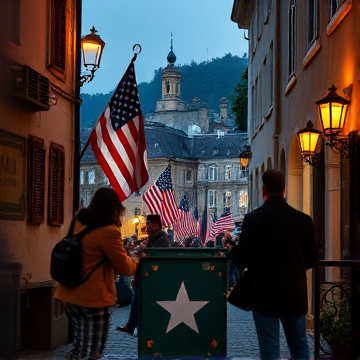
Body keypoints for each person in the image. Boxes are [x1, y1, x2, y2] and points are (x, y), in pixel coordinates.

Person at [233, 169, 319, 360]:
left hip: (264, 293)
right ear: (284, 190)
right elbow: (313, 257)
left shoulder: (253, 219)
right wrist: (293, 267)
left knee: (270, 349)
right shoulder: (303, 220)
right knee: (300, 346)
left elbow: (242, 260)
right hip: (294, 292)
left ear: (263, 190)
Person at [55, 187, 139, 360]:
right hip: (93, 298)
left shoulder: (79, 219)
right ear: (114, 208)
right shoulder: (109, 231)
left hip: (69, 291)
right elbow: (124, 268)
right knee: (93, 351)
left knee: (79, 346)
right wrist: (137, 259)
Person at [116, 213, 170, 335]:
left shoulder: (162, 238)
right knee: (137, 301)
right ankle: (133, 326)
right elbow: (136, 251)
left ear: (156, 225)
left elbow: (150, 254)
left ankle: (142, 329)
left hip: (153, 276)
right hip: (143, 276)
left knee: (141, 302)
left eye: (148, 224)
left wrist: (140, 251)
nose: (146, 227)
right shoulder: (150, 238)